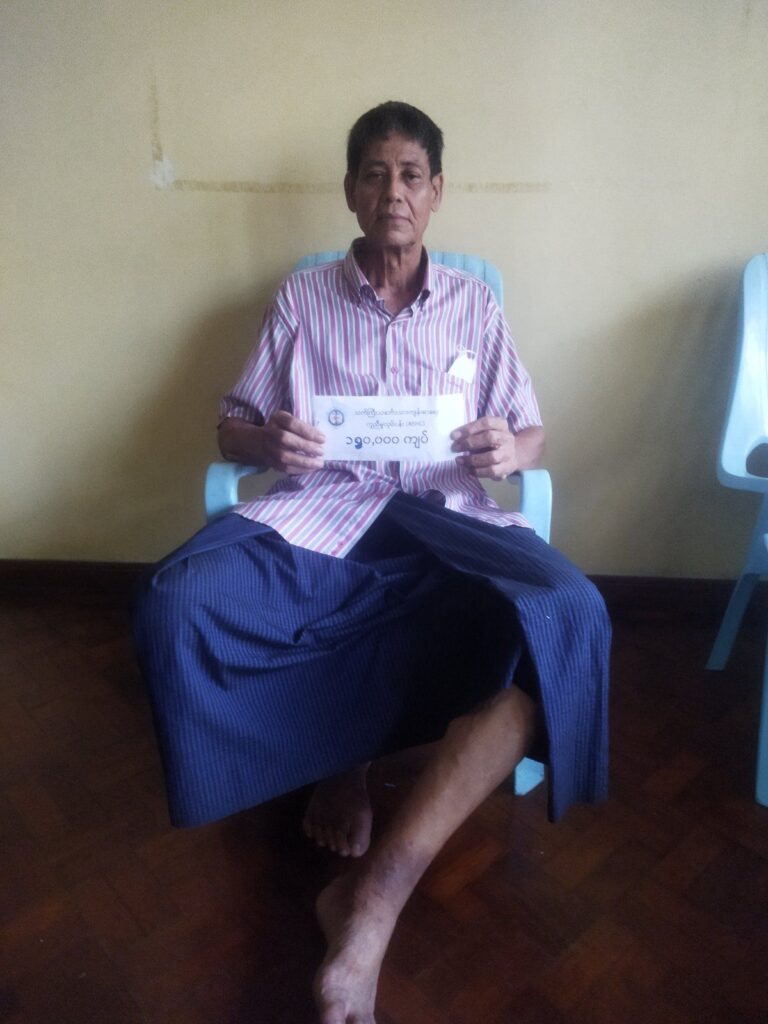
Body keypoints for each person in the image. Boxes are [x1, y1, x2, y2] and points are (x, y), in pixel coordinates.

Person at [134, 101, 610, 1024]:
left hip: (445, 516)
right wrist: (268, 437)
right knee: (176, 603)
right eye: (375, 174)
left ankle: (374, 896)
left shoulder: (474, 305)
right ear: (351, 191)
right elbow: (230, 425)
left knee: (571, 614)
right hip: (325, 513)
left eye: (411, 175)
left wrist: (508, 450)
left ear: (437, 193)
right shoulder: (301, 299)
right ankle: (336, 759)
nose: (394, 191)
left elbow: (530, 431)